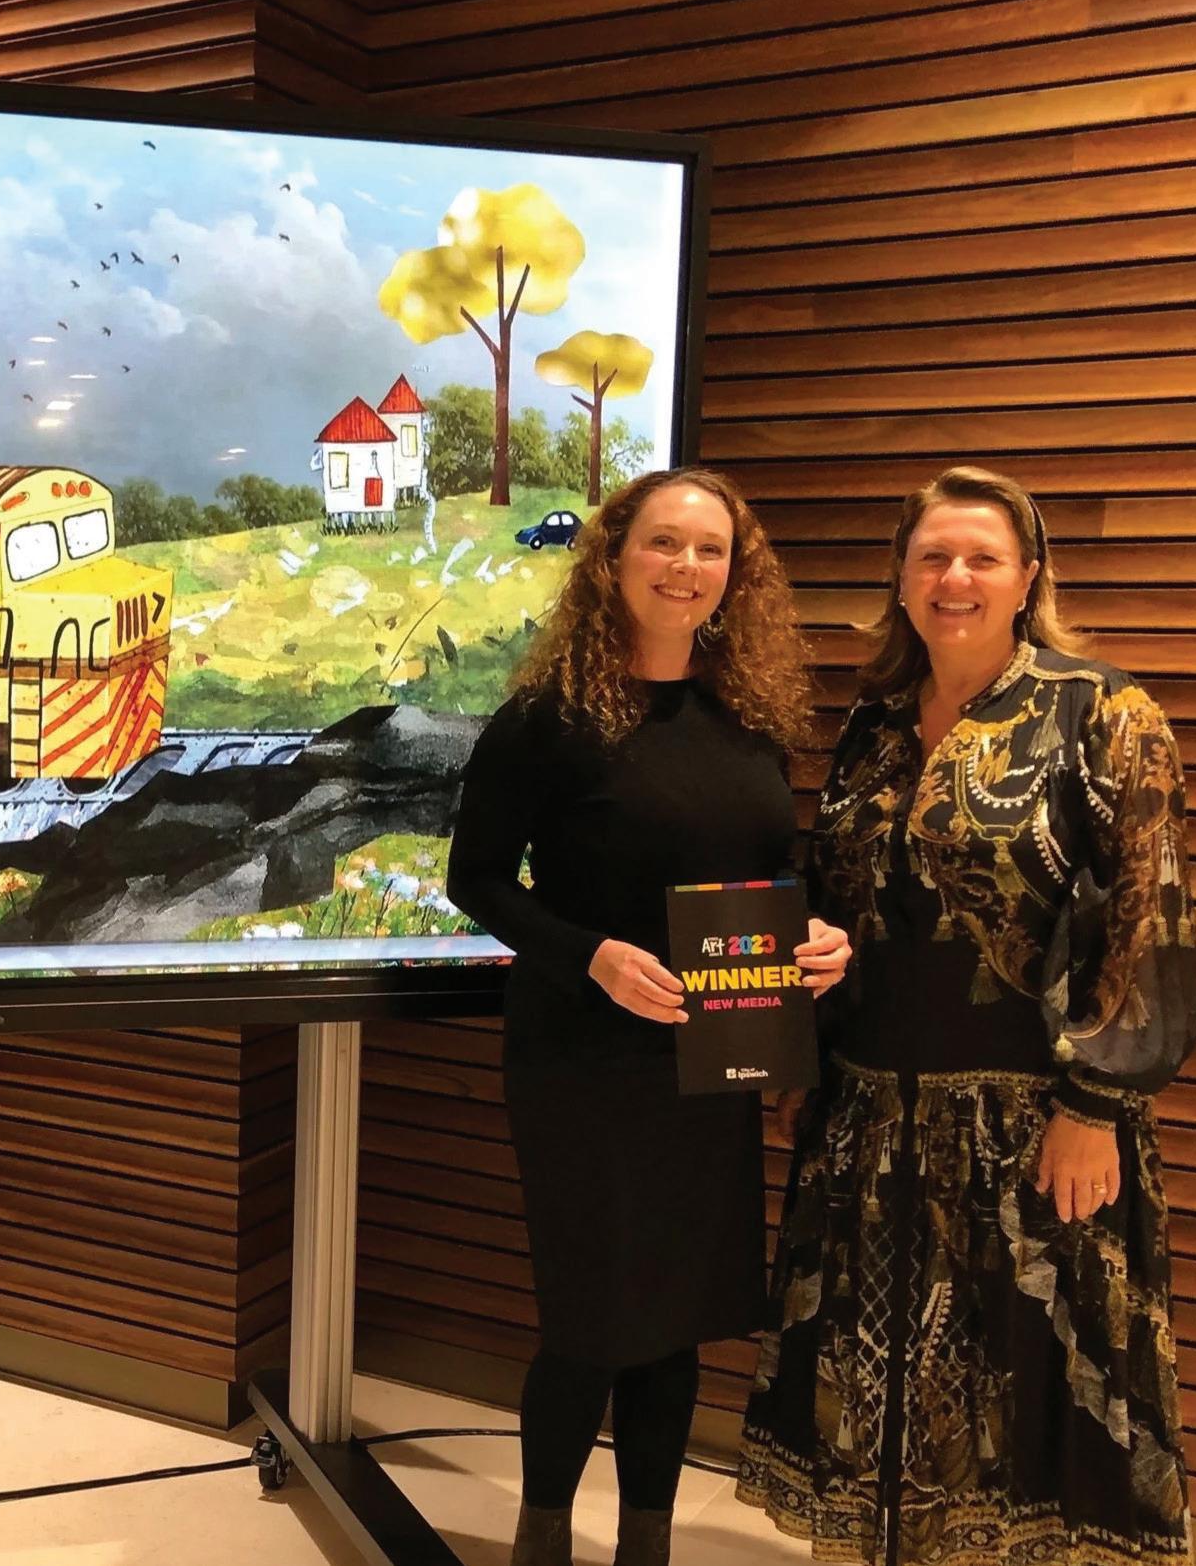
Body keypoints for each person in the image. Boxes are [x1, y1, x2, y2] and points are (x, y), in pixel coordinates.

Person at [736, 465, 1196, 1566]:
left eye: (983, 557)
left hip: (1032, 1125)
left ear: (1028, 576)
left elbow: (1148, 920)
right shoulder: (874, 725)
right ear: (901, 580)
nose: (956, 578)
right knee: (879, 1421)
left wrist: (1095, 1105)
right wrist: (802, 1041)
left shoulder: (1103, 712)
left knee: (1026, 1411)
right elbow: (847, 901)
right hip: (871, 1122)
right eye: (933, 557)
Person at [446, 466, 853, 1566]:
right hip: (582, 1058)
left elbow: (768, 875)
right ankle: (540, 1544)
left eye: (711, 549)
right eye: (664, 543)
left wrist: (817, 938)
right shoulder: (546, 719)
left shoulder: (749, 719)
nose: (686, 566)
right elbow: (475, 878)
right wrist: (592, 958)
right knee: (591, 1321)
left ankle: (646, 1547)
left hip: (712, 1060)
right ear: (614, 560)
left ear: (736, 574)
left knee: (679, 1320)